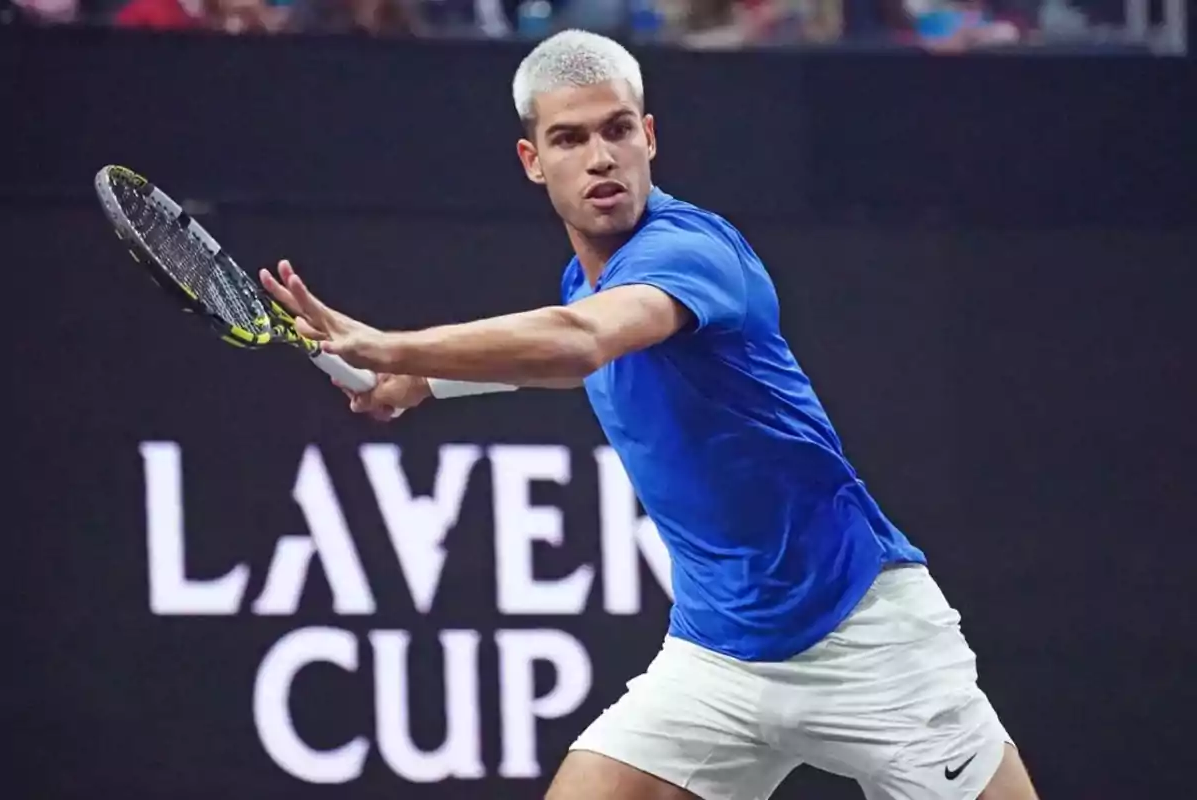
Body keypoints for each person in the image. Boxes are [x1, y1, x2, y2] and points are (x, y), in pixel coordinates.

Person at [259, 28, 1040, 800]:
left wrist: (390, 346)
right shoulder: (585, 281)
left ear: (650, 137)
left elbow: (580, 345)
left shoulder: (691, 251)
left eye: (618, 130)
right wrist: (423, 383)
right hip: (719, 658)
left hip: (865, 636)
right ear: (533, 160)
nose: (601, 157)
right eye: (569, 139)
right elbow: (578, 361)